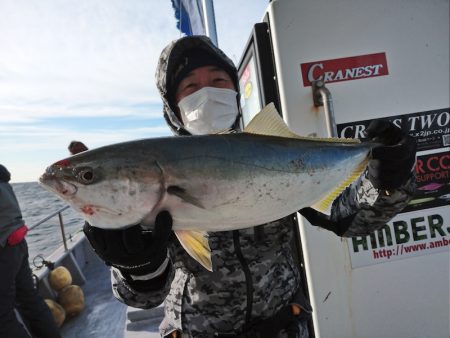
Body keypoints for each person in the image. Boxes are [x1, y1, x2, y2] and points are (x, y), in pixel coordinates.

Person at [83, 36, 416, 337]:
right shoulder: (148, 183)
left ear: (234, 92)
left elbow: (351, 219)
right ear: (172, 106)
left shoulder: (268, 151)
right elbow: (143, 297)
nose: (207, 92)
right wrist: (137, 267)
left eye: (218, 80)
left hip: (284, 327)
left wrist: (387, 179)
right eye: (190, 87)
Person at [0, 164, 62, 338]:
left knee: (2, 318)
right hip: (17, 243)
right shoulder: (2, 178)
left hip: (3, 249)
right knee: (30, 301)